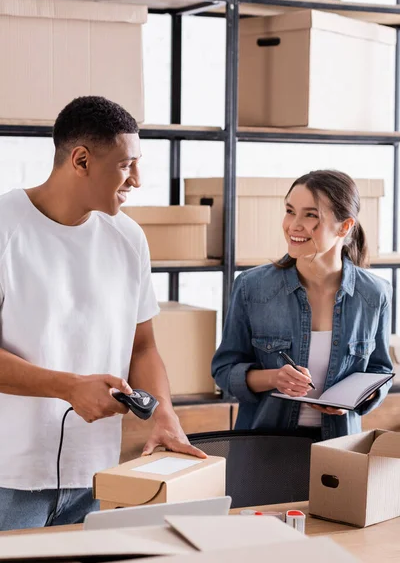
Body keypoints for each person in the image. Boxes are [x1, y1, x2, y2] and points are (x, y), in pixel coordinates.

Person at [0, 96, 205, 531]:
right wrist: (69, 387)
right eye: (126, 164)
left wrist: (164, 410)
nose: (138, 179)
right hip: (8, 479)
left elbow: (143, 346)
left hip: (96, 475)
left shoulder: (128, 237)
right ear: (80, 160)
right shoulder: (5, 228)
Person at [212, 170, 393, 442]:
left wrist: (354, 399)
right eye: (289, 211)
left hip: (340, 446)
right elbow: (224, 372)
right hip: (264, 448)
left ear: (344, 227)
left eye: (310, 215)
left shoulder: (375, 293)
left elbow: (380, 373)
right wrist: (275, 378)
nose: (293, 225)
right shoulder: (252, 287)